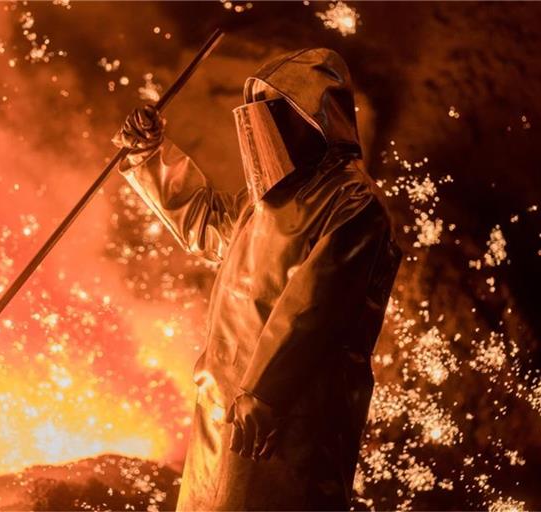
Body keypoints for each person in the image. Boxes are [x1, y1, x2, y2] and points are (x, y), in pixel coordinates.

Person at [112, 48, 401, 511]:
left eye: (277, 110)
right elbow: (204, 221)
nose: (264, 126)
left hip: (287, 418)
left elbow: (314, 307)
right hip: (225, 405)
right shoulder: (263, 204)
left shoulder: (352, 204)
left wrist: (266, 394)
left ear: (314, 119)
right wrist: (150, 155)